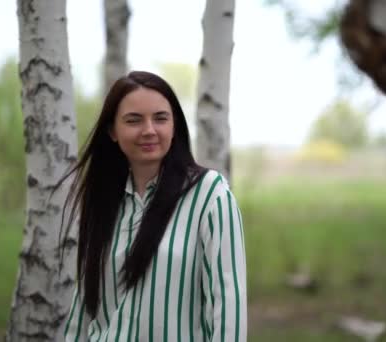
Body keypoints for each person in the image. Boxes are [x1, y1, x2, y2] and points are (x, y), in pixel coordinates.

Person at [60, 71, 247, 342]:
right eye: (134, 120)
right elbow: (84, 306)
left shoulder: (209, 194)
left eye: (160, 118)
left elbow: (229, 303)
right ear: (112, 130)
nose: (149, 130)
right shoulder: (102, 202)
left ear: (174, 127)